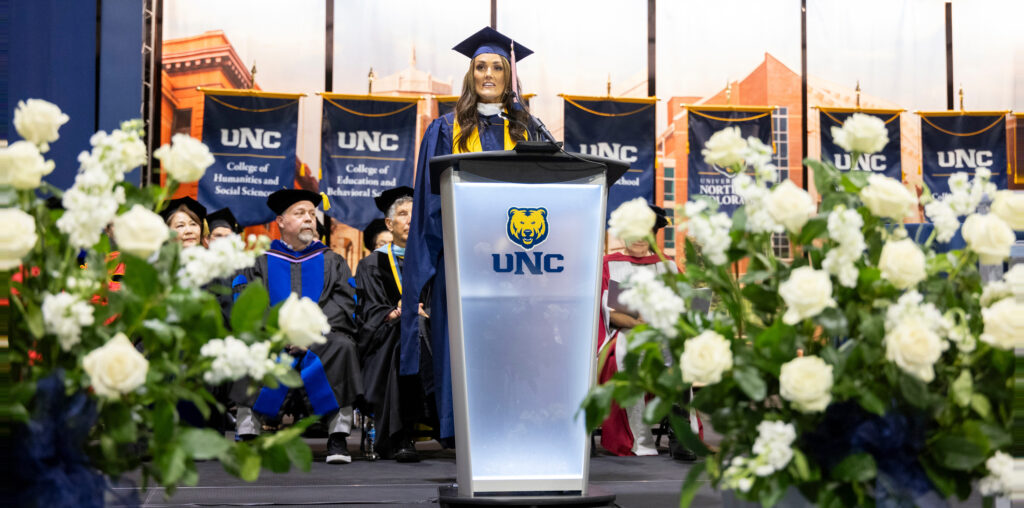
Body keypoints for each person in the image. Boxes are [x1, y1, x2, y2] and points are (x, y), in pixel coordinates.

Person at [400, 26, 537, 446]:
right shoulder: (444, 129)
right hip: (461, 259)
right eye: (481, 66)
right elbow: (428, 202)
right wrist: (432, 262)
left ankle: (516, 424)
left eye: (498, 66)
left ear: (510, 76)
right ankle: (461, 433)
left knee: (511, 346)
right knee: (460, 347)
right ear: (470, 75)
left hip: (519, 261)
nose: (489, 74)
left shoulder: (530, 129)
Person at [229, 189, 362, 464]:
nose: (308, 219)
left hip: (321, 338)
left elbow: (344, 302)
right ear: (280, 221)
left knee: (343, 347)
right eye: (300, 213)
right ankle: (248, 434)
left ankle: (337, 438)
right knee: (251, 348)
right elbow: (247, 301)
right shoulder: (259, 260)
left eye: (312, 214)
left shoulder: (331, 260)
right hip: (272, 337)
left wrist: (309, 334)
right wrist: (281, 333)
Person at [597, 204, 697, 459]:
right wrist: (640, 323)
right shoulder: (612, 264)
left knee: (679, 358)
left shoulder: (668, 267)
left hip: (664, 336)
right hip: (626, 337)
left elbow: (688, 304)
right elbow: (614, 313)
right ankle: (637, 437)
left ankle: (680, 437)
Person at [355, 186, 435, 462]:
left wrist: (429, 312)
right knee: (406, 335)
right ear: (389, 224)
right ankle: (402, 435)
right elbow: (368, 311)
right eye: (403, 213)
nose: (410, 219)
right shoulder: (371, 264)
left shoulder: (435, 259)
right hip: (387, 340)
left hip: (432, 332)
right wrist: (393, 313)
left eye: (415, 213)